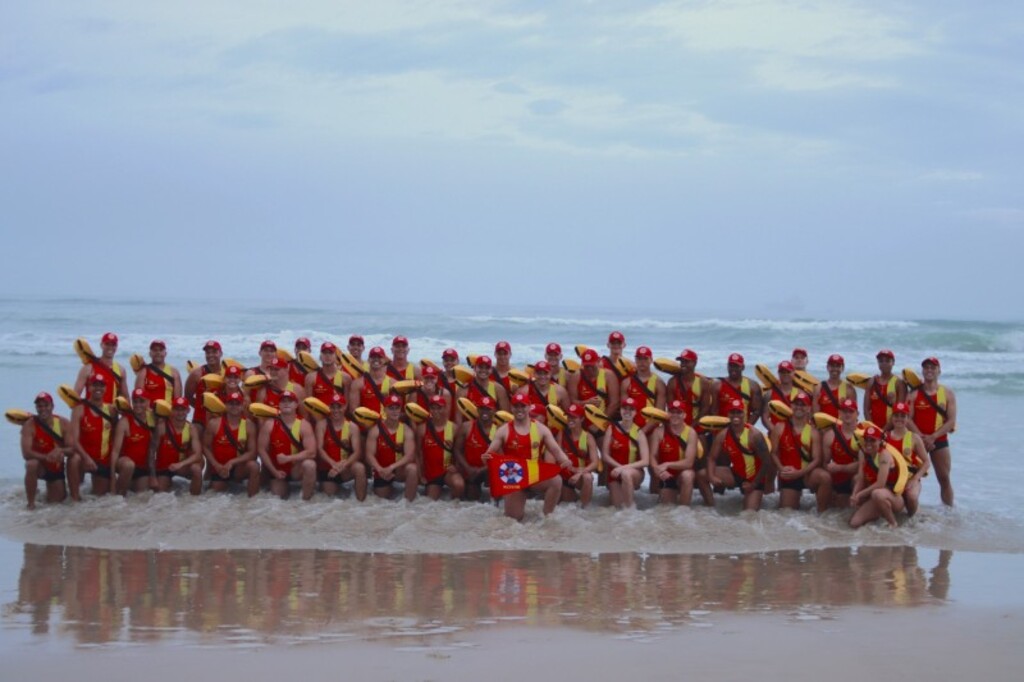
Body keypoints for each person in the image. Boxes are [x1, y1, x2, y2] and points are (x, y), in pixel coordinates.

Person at [483, 393, 573, 520]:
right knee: (513, 521)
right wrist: (486, 458)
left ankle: (547, 518)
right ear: (511, 408)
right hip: (513, 477)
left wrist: (565, 460)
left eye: (523, 406)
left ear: (529, 407)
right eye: (516, 406)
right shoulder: (503, 430)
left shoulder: (541, 429)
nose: (519, 409)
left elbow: (556, 451)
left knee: (556, 480)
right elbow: (489, 454)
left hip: (533, 474)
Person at [705, 398, 770, 511]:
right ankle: (711, 507)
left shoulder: (754, 435)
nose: (735, 415)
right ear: (728, 414)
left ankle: (756, 494)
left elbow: (767, 462)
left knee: (748, 513)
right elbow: (711, 458)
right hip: (736, 475)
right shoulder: (722, 435)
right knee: (702, 474)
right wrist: (711, 476)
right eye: (732, 412)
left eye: (738, 412)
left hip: (754, 479)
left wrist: (753, 485)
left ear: (744, 413)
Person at [769, 392, 831, 512]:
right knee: (786, 512)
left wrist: (800, 473)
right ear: (791, 406)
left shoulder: (814, 432)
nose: (799, 407)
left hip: (807, 475)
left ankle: (822, 513)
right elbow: (773, 452)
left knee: (825, 477)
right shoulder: (779, 427)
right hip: (788, 475)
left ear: (808, 409)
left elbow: (817, 459)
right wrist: (781, 468)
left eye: (803, 405)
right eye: (796, 404)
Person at [908, 357, 956, 506]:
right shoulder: (914, 394)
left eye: (932, 368)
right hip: (917, 440)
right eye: (926, 367)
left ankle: (949, 511)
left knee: (944, 478)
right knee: (912, 477)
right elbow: (907, 419)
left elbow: (951, 421)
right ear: (922, 371)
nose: (929, 370)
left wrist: (933, 437)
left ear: (939, 371)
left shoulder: (947, 393)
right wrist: (922, 437)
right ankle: (912, 508)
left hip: (939, 440)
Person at [257, 390, 317, 500]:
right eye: (283, 401)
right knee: (276, 500)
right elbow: (261, 450)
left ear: (296, 405)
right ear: (278, 405)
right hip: (277, 470)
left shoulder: (304, 425)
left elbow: (312, 452)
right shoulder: (269, 424)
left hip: (296, 469)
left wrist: (288, 458)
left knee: (310, 465)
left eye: (290, 401)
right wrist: (274, 471)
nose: (286, 404)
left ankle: (305, 501)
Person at [21, 392, 74, 508]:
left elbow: (72, 449)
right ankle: (31, 504)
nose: (43, 409)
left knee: (57, 504)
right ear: (36, 408)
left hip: (56, 467)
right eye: (40, 406)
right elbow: (26, 453)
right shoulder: (29, 425)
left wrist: (61, 451)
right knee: (31, 464)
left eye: (46, 405)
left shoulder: (63, 423)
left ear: (52, 406)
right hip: (40, 466)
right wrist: (46, 457)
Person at [203, 391, 261, 497]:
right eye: (231, 403)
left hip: (238, 468)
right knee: (213, 497)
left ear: (242, 406)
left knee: (254, 466)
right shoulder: (214, 423)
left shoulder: (249, 425)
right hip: (219, 468)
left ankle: (252, 501)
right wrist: (216, 465)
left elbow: (252, 453)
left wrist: (232, 462)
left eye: (237, 403)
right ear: (226, 405)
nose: (234, 406)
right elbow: (205, 447)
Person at [648, 399, 704, 506]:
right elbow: (653, 456)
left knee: (688, 475)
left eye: (679, 412)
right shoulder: (658, 431)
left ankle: (685, 509)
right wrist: (658, 470)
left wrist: (667, 464)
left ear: (684, 415)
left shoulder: (691, 433)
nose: (675, 415)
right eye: (672, 412)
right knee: (665, 510)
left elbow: (689, 463)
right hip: (666, 475)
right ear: (668, 413)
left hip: (682, 475)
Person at [69, 373, 118, 497]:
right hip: (83, 458)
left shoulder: (111, 410)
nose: (98, 389)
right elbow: (74, 440)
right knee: (74, 459)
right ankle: (75, 498)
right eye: (95, 385)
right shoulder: (79, 409)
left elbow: (115, 438)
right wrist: (86, 458)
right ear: (89, 387)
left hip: (102, 460)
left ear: (106, 389)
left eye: (101, 386)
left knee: (99, 499)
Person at [364, 394, 419, 501]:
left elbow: (410, 456)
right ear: (385, 409)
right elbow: (369, 455)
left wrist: (391, 467)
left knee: (413, 469)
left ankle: (408, 504)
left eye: (397, 408)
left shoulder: (406, 430)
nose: (394, 411)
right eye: (391, 408)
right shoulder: (375, 430)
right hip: (381, 470)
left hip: (398, 470)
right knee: (381, 502)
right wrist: (380, 469)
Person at [849, 426, 905, 528]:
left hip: (893, 497)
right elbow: (861, 478)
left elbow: (881, 483)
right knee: (854, 523)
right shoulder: (862, 453)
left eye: (872, 440)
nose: (868, 443)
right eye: (866, 439)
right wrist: (854, 494)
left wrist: (860, 494)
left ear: (880, 441)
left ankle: (893, 523)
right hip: (875, 497)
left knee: (877, 493)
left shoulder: (884, 455)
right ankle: (878, 514)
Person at [315, 393, 367, 500]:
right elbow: (319, 448)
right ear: (329, 407)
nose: (336, 410)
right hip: (327, 468)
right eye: (333, 407)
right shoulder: (321, 425)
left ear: (345, 407)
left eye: (339, 407)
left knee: (360, 468)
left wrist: (343, 465)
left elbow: (357, 452)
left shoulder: (352, 427)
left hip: (345, 467)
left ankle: (360, 502)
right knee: (329, 497)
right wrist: (333, 463)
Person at [601, 397, 649, 509]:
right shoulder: (611, 428)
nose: (627, 411)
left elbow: (645, 461)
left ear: (636, 412)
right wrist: (619, 468)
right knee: (617, 508)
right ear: (620, 410)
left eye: (631, 409)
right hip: (614, 473)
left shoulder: (639, 432)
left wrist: (623, 468)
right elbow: (605, 455)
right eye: (625, 408)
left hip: (634, 473)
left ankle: (631, 512)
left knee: (626, 474)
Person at [150, 396, 203, 495]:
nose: (180, 413)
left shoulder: (191, 428)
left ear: (188, 410)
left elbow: (198, 454)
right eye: (177, 409)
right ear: (172, 410)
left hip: (181, 467)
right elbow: (151, 453)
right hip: (164, 468)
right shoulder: (162, 427)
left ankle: (194, 501)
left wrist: (180, 464)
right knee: (160, 495)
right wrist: (152, 477)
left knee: (197, 469)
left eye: (183, 409)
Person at [109, 389, 156, 495]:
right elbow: (115, 452)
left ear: (148, 402)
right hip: (124, 464)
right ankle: (118, 495)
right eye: (135, 401)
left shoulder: (153, 419)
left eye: (142, 401)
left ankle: (129, 484)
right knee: (129, 465)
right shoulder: (124, 421)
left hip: (142, 468)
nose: (138, 404)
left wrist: (154, 476)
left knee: (142, 498)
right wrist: (112, 478)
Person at [419, 395, 465, 500]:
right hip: (431, 473)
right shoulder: (421, 429)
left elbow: (461, 451)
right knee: (430, 503)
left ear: (445, 408)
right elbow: (418, 453)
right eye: (433, 408)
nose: (436, 411)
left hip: (448, 471)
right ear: (429, 409)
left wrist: (457, 466)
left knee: (459, 484)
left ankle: (453, 508)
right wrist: (420, 474)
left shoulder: (454, 428)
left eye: (439, 408)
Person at [887, 401, 929, 516]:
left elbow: (926, 462)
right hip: (890, 479)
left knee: (912, 496)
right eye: (896, 415)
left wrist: (915, 478)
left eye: (903, 416)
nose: (899, 419)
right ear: (892, 417)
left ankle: (912, 518)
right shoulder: (884, 437)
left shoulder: (914, 438)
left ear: (908, 418)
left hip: (910, 478)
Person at [453, 395, 498, 501]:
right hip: (470, 470)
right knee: (471, 500)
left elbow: (501, 457)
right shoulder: (466, 427)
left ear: (494, 410)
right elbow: (457, 450)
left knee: (496, 499)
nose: (484, 412)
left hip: (489, 470)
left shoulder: (499, 430)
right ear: (477, 409)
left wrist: (481, 470)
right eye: (482, 408)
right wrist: (467, 468)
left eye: (488, 409)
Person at [821, 398, 861, 508]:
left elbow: (864, 465)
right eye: (844, 411)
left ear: (857, 414)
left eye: (851, 411)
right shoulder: (830, 435)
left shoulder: (863, 435)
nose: (847, 414)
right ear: (839, 413)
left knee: (858, 478)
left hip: (856, 480)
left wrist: (840, 467)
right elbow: (825, 463)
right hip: (837, 480)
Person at [558, 404, 599, 507]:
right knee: (568, 507)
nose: (570, 419)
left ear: (582, 419)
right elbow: (556, 456)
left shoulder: (588, 437)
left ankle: (585, 509)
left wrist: (580, 472)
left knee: (588, 477)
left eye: (573, 417)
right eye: (568, 416)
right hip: (565, 475)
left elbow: (595, 462)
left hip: (580, 475)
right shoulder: (561, 434)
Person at [73, 332, 130, 403]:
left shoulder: (121, 370)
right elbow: (75, 395)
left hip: (110, 413)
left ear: (116, 347)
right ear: (101, 345)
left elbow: (126, 397)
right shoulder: (88, 369)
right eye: (107, 344)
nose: (110, 347)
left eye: (113, 345)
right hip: (92, 412)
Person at [184, 340, 226, 436]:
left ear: (221, 353)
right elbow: (188, 397)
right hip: (200, 421)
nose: (210, 355)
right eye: (208, 353)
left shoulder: (226, 374)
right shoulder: (196, 374)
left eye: (214, 352)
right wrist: (201, 407)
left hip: (220, 420)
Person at [567, 348, 620, 421]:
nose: (589, 369)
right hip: (583, 418)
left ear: (598, 361)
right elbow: (572, 401)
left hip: (604, 416)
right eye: (586, 366)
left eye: (592, 365)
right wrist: (586, 402)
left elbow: (614, 403)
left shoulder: (608, 376)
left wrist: (602, 420)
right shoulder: (576, 376)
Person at [621, 346, 665, 431]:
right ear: (635, 360)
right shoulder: (626, 382)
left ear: (651, 360)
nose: (642, 362)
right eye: (639, 359)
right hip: (631, 428)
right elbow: (624, 411)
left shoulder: (658, 383)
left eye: (645, 359)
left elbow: (659, 413)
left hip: (652, 428)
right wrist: (632, 430)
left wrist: (643, 431)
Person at [665, 349, 712, 428]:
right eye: (682, 362)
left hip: (696, 423)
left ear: (694, 363)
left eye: (686, 362)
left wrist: (693, 425)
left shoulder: (703, 382)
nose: (683, 364)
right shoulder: (672, 382)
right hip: (676, 422)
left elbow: (705, 408)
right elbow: (670, 407)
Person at [711, 353, 763, 424]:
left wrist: (747, 427)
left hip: (743, 428)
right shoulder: (717, 385)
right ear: (727, 366)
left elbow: (757, 411)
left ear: (743, 367)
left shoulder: (752, 386)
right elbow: (714, 410)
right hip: (722, 428)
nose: (733, 369)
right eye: (731, 366)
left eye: (736, 366)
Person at [517, 360, 570, 427]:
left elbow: (568, 416)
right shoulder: (524, 391)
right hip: (532, 430)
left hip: (554, 432)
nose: (542, 376)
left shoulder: (560, 391)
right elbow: (517, 415)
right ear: (534, 374)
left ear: (550, 374)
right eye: (539, 373)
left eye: (545, 373)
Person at [457, 355, 510, 420]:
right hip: (472, 427)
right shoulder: (464, 389)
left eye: (487, 368)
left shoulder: (498, 389)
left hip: (492, 428)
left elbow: (506, 415)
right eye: (480, 367)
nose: (483, 370)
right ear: (475, 368)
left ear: (491, 370)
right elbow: (458, 418)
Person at [347, 346, 395, 418]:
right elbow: (353, 411)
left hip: (385, 425)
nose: (376, 359)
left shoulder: (393, 383)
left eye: (379, 357)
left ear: (385, 360)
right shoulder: (357, 384)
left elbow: (396, 410)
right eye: (373, 357)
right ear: (368, 360)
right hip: (365, 424)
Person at [864, 349, 906, 430]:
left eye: (887, 361)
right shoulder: (872, 381)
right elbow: (866, 409)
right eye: (881, 361)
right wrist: (872, 428)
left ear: (893, 362)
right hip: (874, 429)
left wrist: (883, 431)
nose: (884, 364)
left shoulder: (898, 383)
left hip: (892, 429)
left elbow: (899, 411)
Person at [134, 339, 182, 404]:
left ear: (165, 353)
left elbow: (178, 399)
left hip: (168, 412)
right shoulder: (143, 372)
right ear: (150, 354)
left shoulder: (174, 372)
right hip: (148, 413)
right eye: (155, 350)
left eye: (161, 350)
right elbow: (139, 399)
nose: (158, 352)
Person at [812, 354, 857, 419]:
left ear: (843, 368)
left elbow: (853, 414)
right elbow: (815, 414)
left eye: (838, 366)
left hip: (841, 428)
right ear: (827, 367)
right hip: (823, 427)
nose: (835, 369)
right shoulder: (819, 388)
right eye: (832, 366)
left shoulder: (849, 389)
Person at [761, 360, 801, 430]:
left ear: (793, 373)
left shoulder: (800, 393)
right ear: (778, 373)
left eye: (788, 372)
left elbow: (806, 416)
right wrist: (774, 431)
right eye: (782, 372)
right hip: (775, 433)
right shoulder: (770, 394)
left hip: (795, 433)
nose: (785, 374)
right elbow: (765, 417)